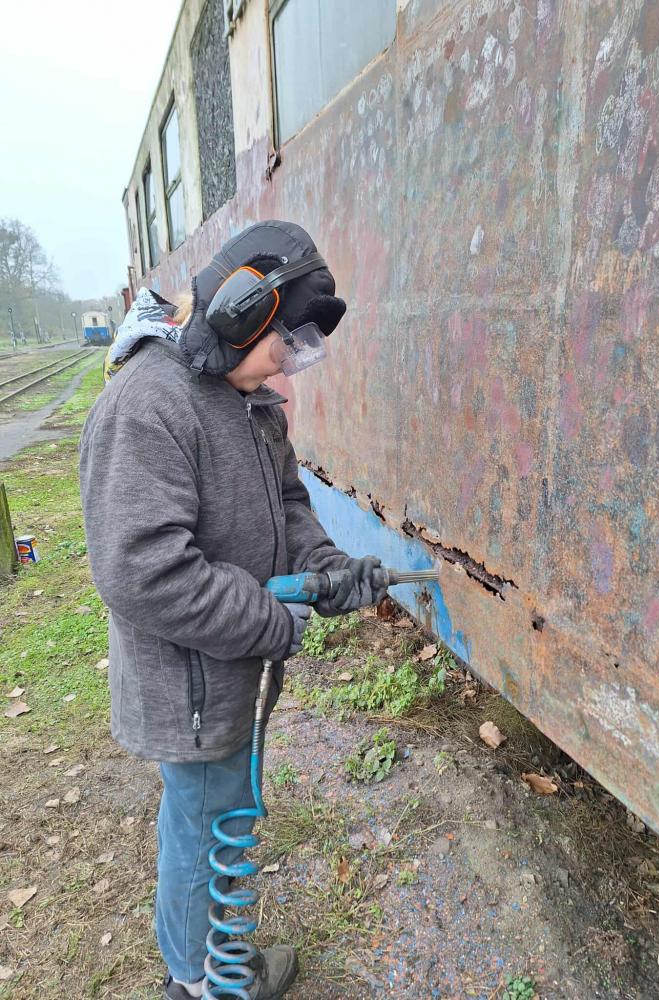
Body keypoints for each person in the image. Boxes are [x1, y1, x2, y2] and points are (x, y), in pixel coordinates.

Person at [79, 221, 387, 999]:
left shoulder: (249, 400)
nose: (288, 363)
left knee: (218, 809)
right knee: (208, 822)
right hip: (186, 682)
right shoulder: (149, 404)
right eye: (287, 342)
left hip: (225, 671)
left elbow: (288, 505)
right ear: (242, 310)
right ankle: (199, 981)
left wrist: (328, 570)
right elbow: (142, 569)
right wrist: (270, 621)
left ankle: (207, 963)